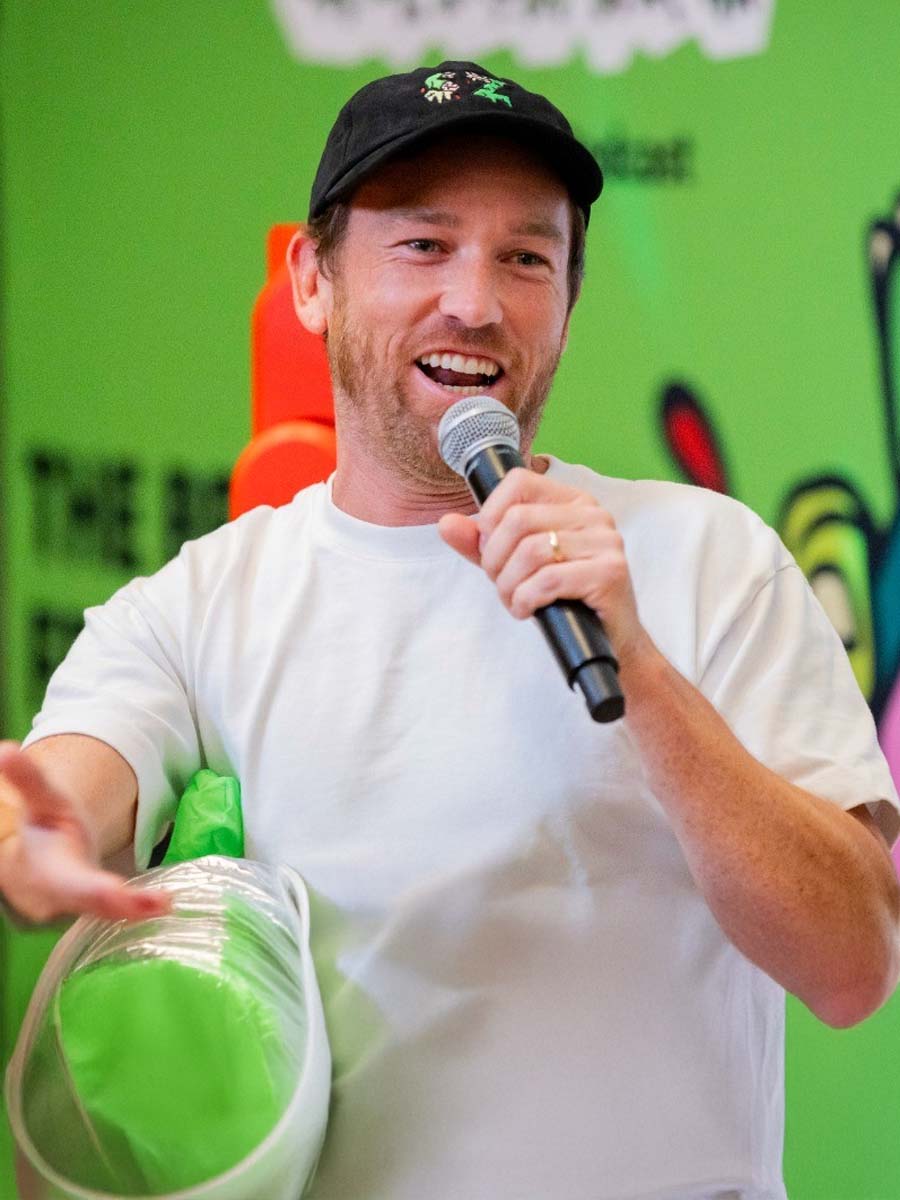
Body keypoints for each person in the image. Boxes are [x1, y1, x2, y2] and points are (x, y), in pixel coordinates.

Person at [1, 60, 898, 1200]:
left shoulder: (709, 559)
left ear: (569, 299)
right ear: (311, 282)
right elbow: (72, 786)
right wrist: (39, 840)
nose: (475, 301)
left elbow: (853, 965)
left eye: (526, 256)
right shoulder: (199, 606)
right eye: (423, 245)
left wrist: (641, 671)